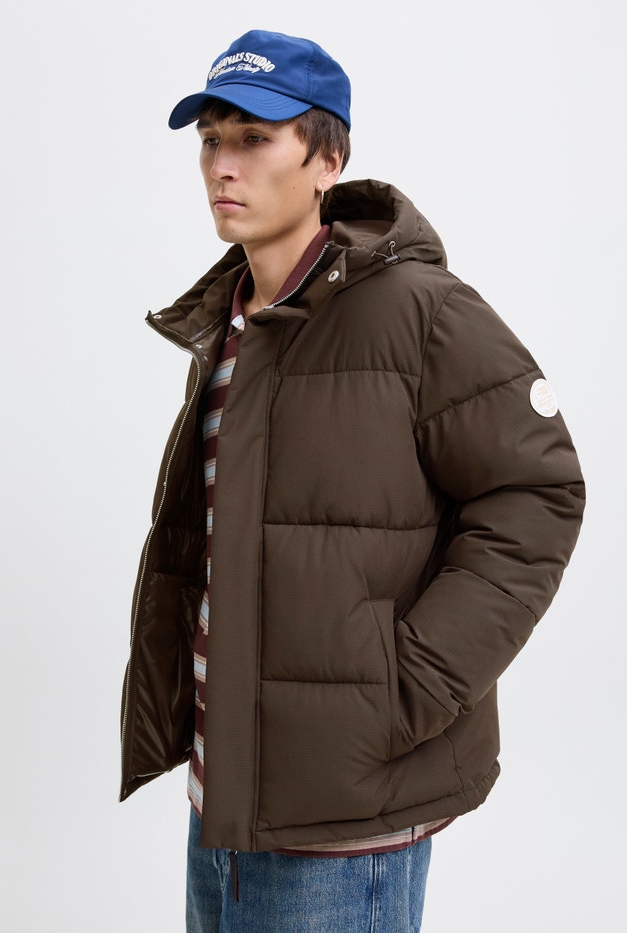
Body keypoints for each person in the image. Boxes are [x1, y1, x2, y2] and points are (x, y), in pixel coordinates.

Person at [119, 29, 585, 932]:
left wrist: (407, 685)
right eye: (210, 139)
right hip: (224, 802)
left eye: (255, 138)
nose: (223, 164)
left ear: (328, 160)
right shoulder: (231, 327)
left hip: (345, 826)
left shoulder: (420, 312)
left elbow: (539, 493)